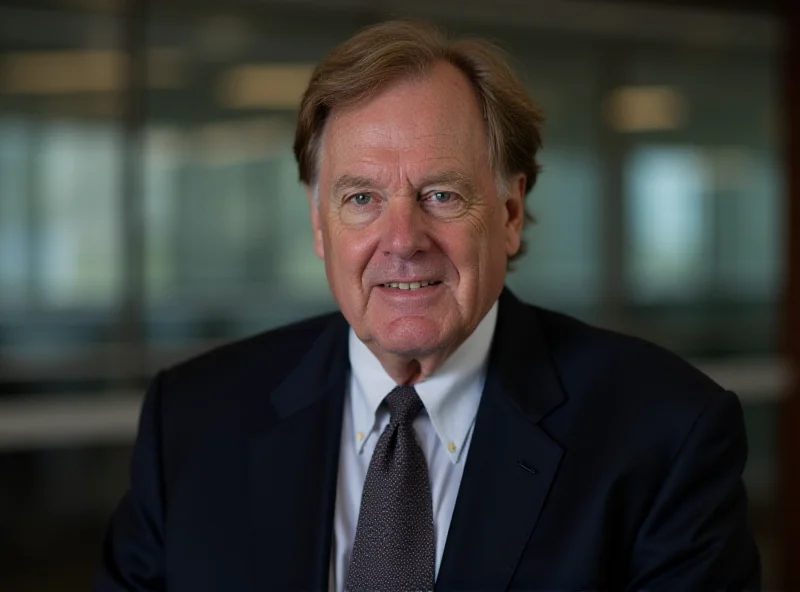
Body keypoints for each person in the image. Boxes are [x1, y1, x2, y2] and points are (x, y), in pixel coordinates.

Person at [94, 19, 761, 592]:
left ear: (509, 213)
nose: (403, 240)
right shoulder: (192, 422)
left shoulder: (665, 433)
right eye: (362, 199)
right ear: (320, 226)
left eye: (441, 195)